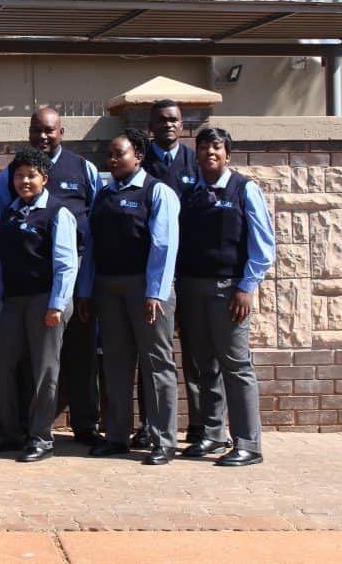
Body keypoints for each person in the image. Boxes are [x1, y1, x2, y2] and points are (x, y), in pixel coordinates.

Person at [0, 108, 104, 445]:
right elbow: (0, 242)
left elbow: (94, 226)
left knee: (77, 357)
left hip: (69, 276)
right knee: (18, 365)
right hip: (19, 291)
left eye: (49, 130)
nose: (42, 136)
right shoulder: (10, 184)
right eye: (36, 130)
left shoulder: (82, 169)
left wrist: (68, 296)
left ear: (61, 131)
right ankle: (17, 431)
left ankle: (81, 426)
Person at [79, 128, 181, 466]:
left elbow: (163, 247)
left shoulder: (157, 192)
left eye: (119, 153)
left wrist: (156, 292)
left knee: (156, 364)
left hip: (146, 290)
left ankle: (163, 440)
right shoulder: (104, 195)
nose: (112, 159)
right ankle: (117, 436)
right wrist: (86, 290)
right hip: (109, 288)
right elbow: (92, 247)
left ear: (137, 156)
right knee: (116, 363)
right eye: (109, 154)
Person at [178, 127, 274, 467]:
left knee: (236, 366)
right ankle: (212, 433)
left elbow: (263, 247)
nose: (209, 153)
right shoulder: (191, 192)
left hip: (229, 291)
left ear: (228, 154)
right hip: (192, 289)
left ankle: (249, 443)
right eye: (203, 148)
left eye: (216, 147)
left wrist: (246, 287)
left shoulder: (245, 189)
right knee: (203, 366)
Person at [0, 148, 78, 462]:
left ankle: (40, 438)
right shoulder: (9, 212)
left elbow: (66, 265)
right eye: (19, 175)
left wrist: (57, 305)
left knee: (44, 371)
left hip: (45, 302)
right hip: (12, 302)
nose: (24, 181)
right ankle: (9, 433)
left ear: (44, 179)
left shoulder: (57, 213)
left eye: (31, 176)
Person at [139, 98, 207, 448]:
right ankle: (151, 425)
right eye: (161, 120)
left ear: (182, 125)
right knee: (150, 352)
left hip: (191, 271)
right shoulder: (142, 162)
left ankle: (201, 427)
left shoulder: (196, 161)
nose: (168, 125)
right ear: (150, 126)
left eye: (174, 120)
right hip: (152, 274)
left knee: (196, 350)